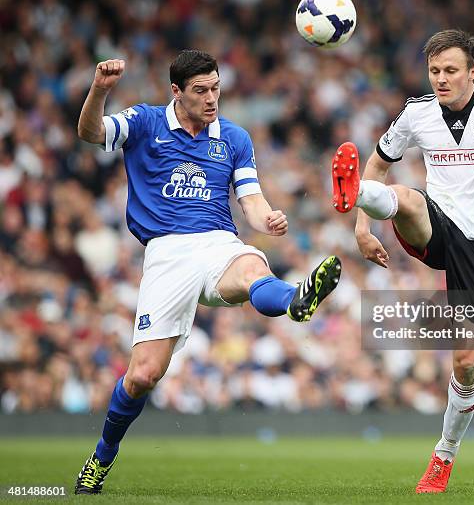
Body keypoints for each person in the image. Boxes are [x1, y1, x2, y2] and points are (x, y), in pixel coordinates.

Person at [74, 50, 341, 494]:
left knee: (253, 266)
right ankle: (102, 457)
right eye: (201, 90)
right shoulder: (145, 121)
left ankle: (294, 300)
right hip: (167, 254)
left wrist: (268, 218)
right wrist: (100, 89)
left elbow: (250, 200)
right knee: (142, 376)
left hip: (218, 241)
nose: (212, 98)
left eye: (216, 88)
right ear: (176, 92)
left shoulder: (233, 137)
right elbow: (90, 133)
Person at [332, 29, 474, 494]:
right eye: (434, 70)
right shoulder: (417, 113)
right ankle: (354, 194)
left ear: (473, 72)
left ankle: (444, 455)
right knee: (409, 200)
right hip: (436, 224)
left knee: (467, 362)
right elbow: (377, 160)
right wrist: (360, 226)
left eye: (450, 70)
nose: (441, 78)